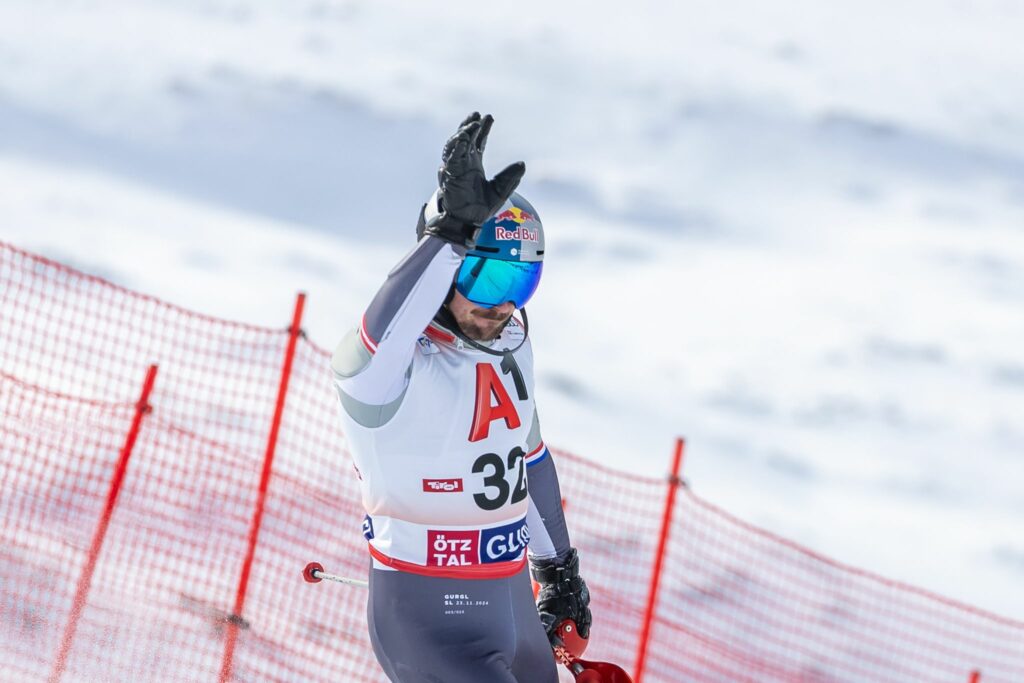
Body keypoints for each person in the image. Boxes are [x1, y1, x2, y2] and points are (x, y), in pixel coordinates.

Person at [331, 112, 591, 683]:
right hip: (432, 620)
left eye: (518, 284)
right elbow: (377, 336)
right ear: (445, 269)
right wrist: (446, 239)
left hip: (511, 604)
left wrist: (558, 571)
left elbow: (530, 460)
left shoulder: (512, 345)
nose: (501, 305)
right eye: (484, 279)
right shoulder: (386, 373)